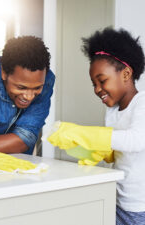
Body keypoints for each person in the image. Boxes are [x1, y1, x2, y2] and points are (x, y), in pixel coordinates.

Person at [47, 27, 145, 224]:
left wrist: (82, 133)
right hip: (119, 200)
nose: (97, 89)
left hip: (140, 207)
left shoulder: (142, 103)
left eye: (102, 81)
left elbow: (136, 140)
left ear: (126, 73)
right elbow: (113, 150)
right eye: (94, 84)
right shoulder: (112, 111)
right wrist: (88, 150)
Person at [0, 36, 55, 155]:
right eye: (21, 87)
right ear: (4, 73)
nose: (29, 97)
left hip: (16, 166)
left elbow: (24, 138)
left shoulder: (47, 79)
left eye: (37, 88)